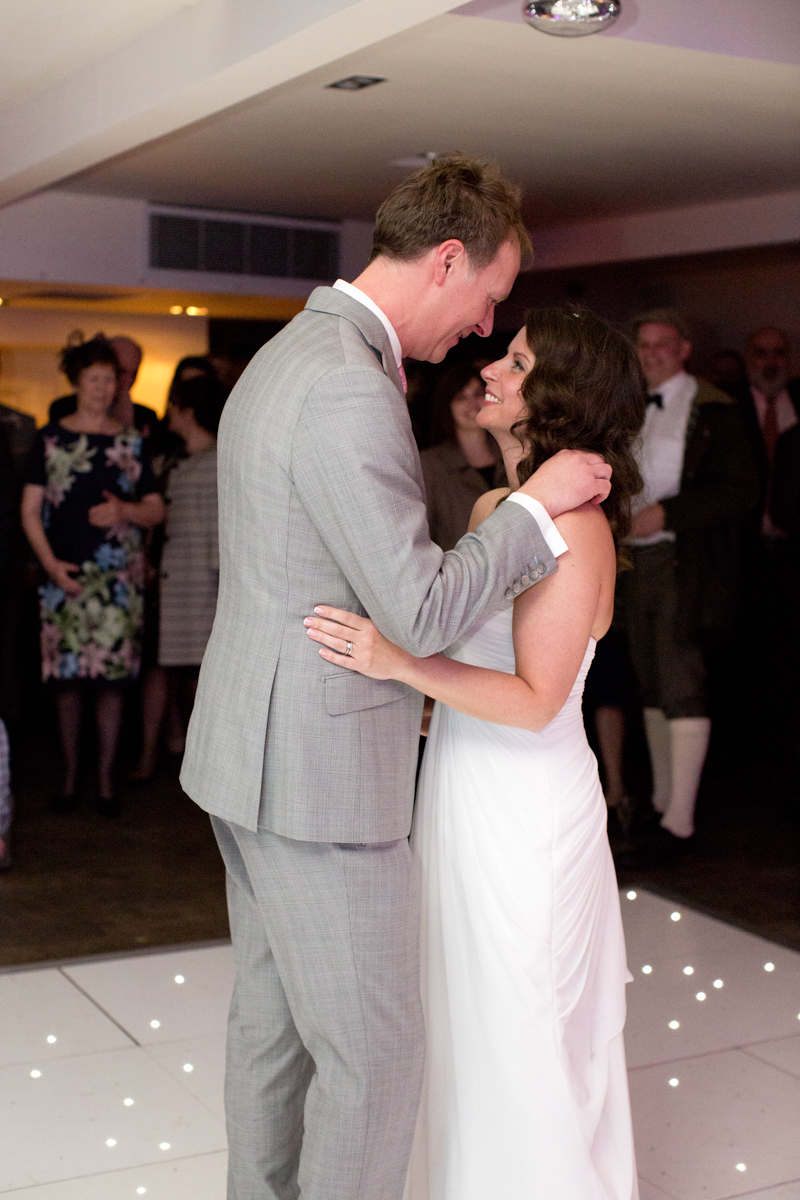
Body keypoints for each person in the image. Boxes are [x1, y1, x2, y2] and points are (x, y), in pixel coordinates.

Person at [180, 154, 612, 1200]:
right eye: (489, 298)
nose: (483, 329)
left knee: (274, 1035)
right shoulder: (346, 379)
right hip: (317, 776)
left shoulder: (293, 350)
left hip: (255, 755)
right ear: (447, 260)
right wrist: (530, 508)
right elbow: (416, 610)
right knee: (372, 1062)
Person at [304, 308, 645, 1198]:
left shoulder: (580, 529)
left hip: (525, 811)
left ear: (559, 397)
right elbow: (479, 663)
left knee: (515, 1024)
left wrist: (395, 661)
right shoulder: (502, 508)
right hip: (464, 786)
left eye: (517, 362)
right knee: (459, 1012)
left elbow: (535, 700)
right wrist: (419, 707)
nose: (490, 369)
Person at [621, 310, 758, 859]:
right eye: (643, 344)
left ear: (684, 350)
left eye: (662, 344)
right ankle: (661, 805)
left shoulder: (714, 408)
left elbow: (741, 490)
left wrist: (669, 514)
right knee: (650, 683)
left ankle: (680, 825)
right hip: (633, 562)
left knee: (681, 682)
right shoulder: (627, 405)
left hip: (686, 561)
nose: (651, 352)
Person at [21, 336, 164, 816]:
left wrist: (124, 510)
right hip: (63, 577)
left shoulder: (131, 441)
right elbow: (29, 510)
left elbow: (156, 509)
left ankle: (104, 781)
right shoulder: (51, 438)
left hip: (118, 583)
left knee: (112, 684)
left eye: (110, 379)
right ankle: (68, 776)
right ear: (77, 383)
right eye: (94, 379)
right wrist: (49, 565)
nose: (103, 388)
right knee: (66, 684)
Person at [132, 356, 220, 780]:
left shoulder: (219, 463)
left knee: (204, 675)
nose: (168, 414)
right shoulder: (171, 460)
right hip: (168, 585)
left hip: (201, 585)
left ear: (188, 411)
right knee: (160, 668)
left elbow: (220, 536)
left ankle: (208, 765)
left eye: (174, 406)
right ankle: (156, 753)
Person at [420, 363, 504, 550]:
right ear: (447, 407)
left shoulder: (510, 453)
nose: (472, 404)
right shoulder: (430, 465)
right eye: (461, 397)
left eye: (478, 394)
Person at [49, 334, 161, 442]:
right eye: (121, 372)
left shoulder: (146, 416)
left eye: (134, 374)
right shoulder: (63, 408)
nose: (127, 380)